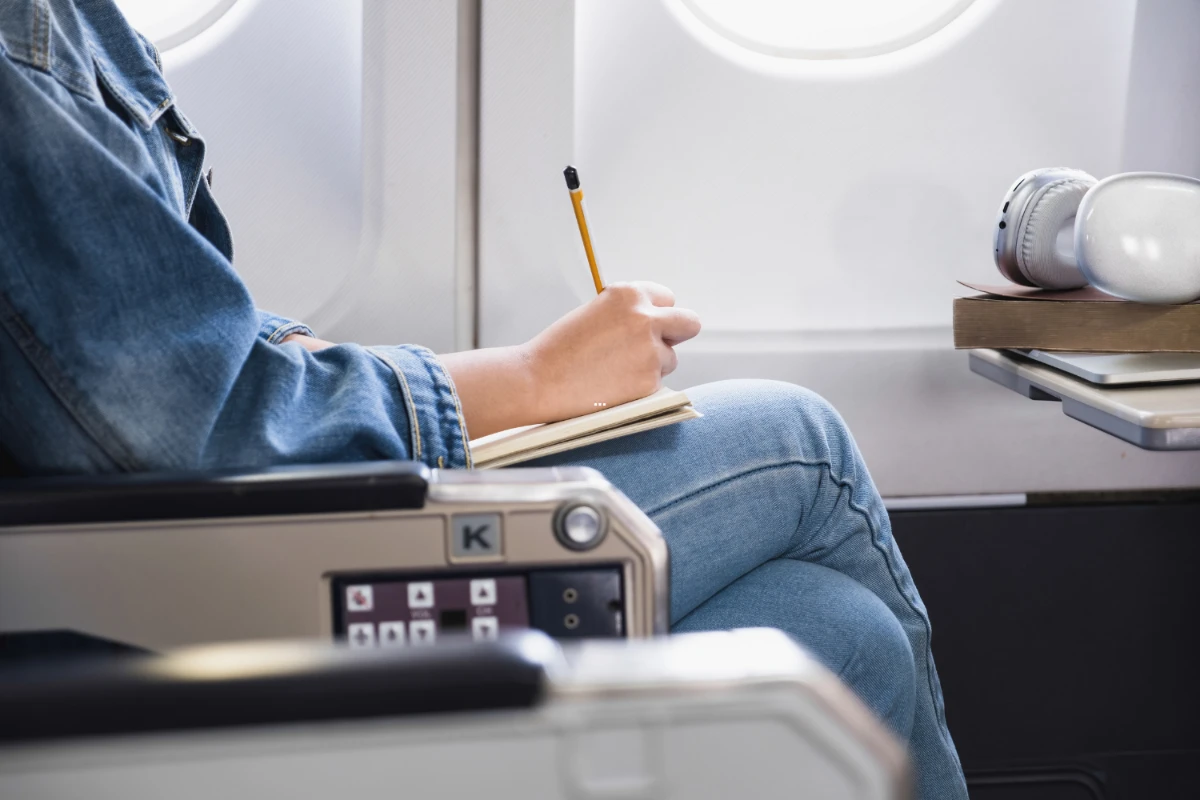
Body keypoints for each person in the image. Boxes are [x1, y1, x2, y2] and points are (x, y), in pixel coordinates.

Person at [0, 1, 966, 796]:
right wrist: (534, 379)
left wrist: (311, 352)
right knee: (803, 446)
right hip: (193, 592)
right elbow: (181, 427)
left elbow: (165, 326)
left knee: (842, 633)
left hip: (210, 545)